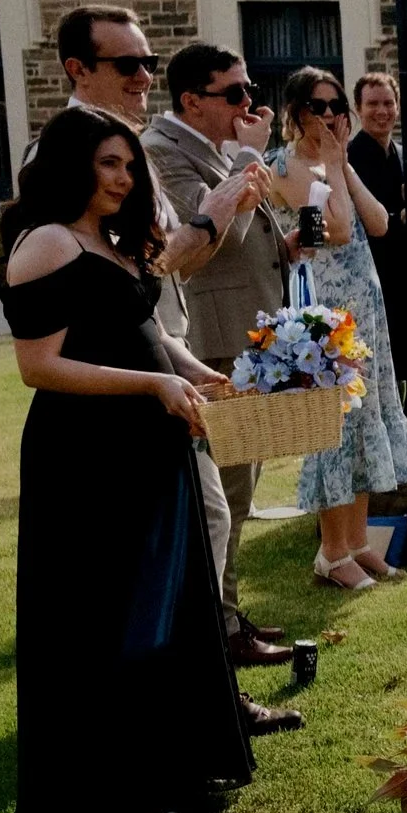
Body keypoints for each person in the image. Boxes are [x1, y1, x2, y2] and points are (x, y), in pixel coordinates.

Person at [3, 106, 277, 813]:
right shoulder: (47, 245)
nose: (124, 178)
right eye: (108, 164)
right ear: (71, 165)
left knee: (164, 609)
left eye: (129, 165)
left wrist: (205, 378)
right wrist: (151, 386)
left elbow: (150, 337)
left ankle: (172, 766)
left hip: (150, 449)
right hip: (86, 459)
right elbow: (39, 366)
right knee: (104, 619)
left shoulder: (114, 244)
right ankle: (111, 792)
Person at [137, 40, 295, 675]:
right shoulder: (161, 155)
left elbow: (248, 227)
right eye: (235, 93)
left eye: (250, 89)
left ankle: (227, 612)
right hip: (209, 341)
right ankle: (218, 626)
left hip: (245, 335)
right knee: (222, 494)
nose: (248, 102)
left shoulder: (208, 152)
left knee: (240, 485)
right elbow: (195, 250)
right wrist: (250, 159)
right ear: (192, 100)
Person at [263, 68, 407, 587]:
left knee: (364, 425)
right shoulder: (284, 165)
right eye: (320, 107)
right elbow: (332, 229)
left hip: (366, 307)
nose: (332, 116)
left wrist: (341, 165)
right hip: (323, 311)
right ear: (296, 112)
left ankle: (358, 543)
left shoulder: (338, 160)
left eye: (338, 107)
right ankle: (331, 552)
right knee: (333, 430)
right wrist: (334, 169)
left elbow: (377, 222)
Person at [345, 72, 407, 397]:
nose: (381, 111)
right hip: (371, 273)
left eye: (388, 103)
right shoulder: (350, 158)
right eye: (372, 104)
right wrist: (402, 218)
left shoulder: (406, 155)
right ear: (357, 108)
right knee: (377, 368)